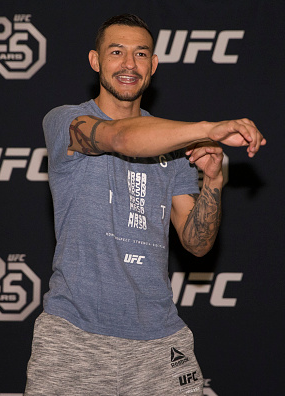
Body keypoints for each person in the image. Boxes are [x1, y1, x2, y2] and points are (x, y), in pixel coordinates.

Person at [24, 13, 265, 396]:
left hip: (159, 338)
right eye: (116, 52)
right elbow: (119, 138)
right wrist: (206, 128)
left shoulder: (171, 145)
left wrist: (214, 181)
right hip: (74, 337)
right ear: (95, 61)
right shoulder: (67, 122)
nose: (128, 64)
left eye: (140, 54)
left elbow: (197, 244)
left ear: (153, 66)